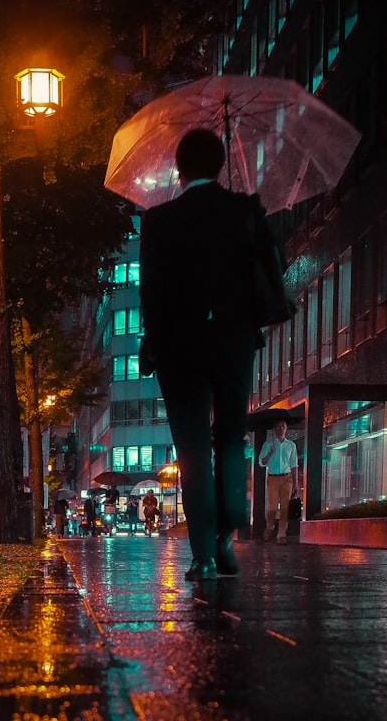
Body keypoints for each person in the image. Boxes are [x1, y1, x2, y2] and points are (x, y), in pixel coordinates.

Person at [138, 128, 268, 581]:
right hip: (234, 342)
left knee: (192, 448)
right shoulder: (245, 211)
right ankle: (227, 535)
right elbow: (270, 268)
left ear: (179, 169)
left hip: (179, 349)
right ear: (219, 165)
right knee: (231, 438)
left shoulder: (159, 221)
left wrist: (152, 344)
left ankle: (203, 555)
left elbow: (151, 292)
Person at [258, 416, 300, 544]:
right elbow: (261, 462)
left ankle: (281, 535)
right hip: (273, 478)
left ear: (286, 428)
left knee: (285, 509)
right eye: (278, 426)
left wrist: (296, 484)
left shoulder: (291, 445)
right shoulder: (268, 444)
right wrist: (270, 453)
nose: (281, 429)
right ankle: (270, 526)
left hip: (287, 478)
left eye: (283, 426)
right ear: (274, 429)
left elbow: (294, 465)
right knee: (272, 508)